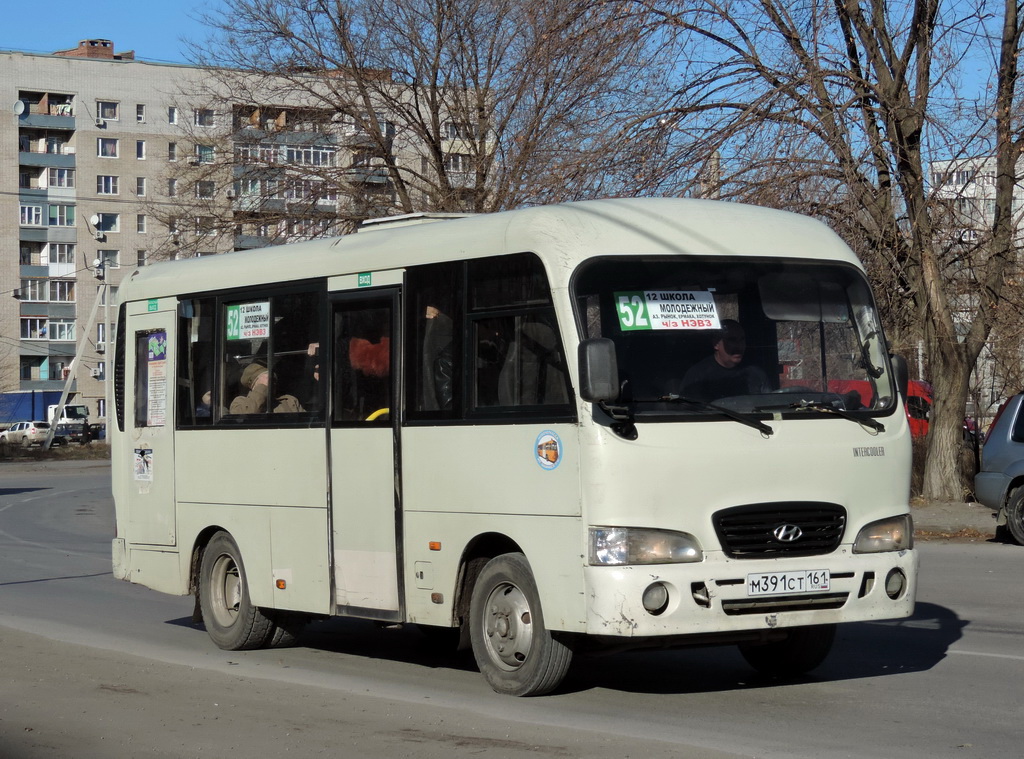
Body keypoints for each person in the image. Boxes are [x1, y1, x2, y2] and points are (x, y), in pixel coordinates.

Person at [679, 319, 769, 402]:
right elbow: (690, 413)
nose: (739, 346)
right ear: (716, 344)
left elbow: (770, 407)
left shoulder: (756, 374)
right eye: (732, 340)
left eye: (742, 340)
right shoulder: (697, 376)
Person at [230, 362, 304, 414]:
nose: (272, 382)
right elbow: (246, 419)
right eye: (268, 379)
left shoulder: (290, 401)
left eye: (274, 380)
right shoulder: (240, 402)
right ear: (254, 384)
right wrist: (262, 387)